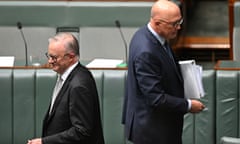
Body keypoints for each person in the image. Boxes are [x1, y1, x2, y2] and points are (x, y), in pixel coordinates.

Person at [122, 1, 205, 144]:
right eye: (174, 24)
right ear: (157, 23)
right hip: (153, 131)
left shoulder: (146, 34)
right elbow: (156, 98)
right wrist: (189, 105)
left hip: (160, 125)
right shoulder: (146, 51)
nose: (179, 27)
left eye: (180, 21)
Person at [27, 32, 104, 144]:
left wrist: (44, 142)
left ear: (71, 57)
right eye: (49, 56)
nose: (49, 61)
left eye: (54, 58)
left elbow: (81, 131)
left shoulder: (79, 85)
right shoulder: (68, 76)